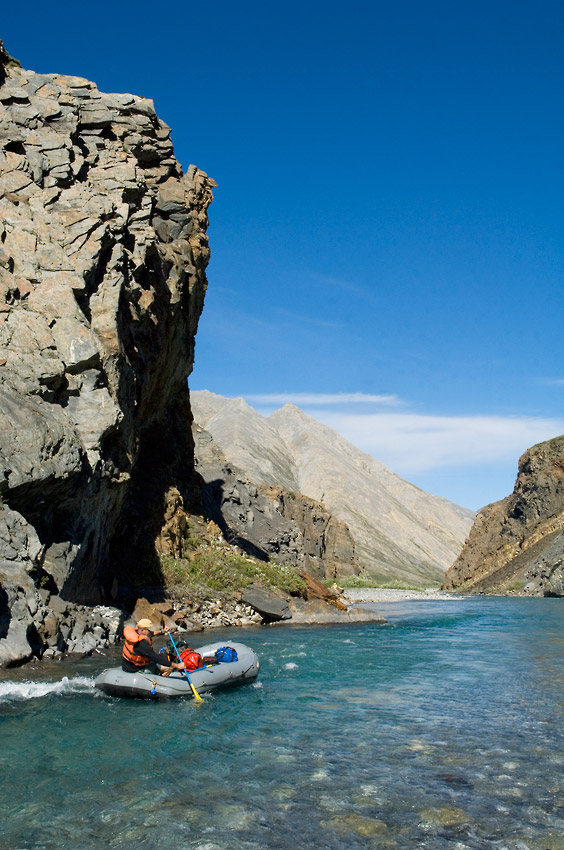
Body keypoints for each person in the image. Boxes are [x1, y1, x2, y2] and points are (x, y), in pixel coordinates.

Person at [121, 618, 186, 675]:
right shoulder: (141, 644)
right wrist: (177, 666)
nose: (151, 631)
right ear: (142, 630)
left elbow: (151, 634)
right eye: (149, 630)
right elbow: (156, 658)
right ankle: (161, 682)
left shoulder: (136, 632)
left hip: (127, 665)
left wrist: (162, 631)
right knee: (169, 667)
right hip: (135, 669)